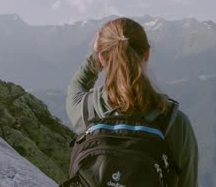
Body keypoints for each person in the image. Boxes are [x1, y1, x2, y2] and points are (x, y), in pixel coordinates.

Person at [66, 17, 198, 187]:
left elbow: (77, 85)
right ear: (147, 54)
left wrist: (95, 55)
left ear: (103, 59)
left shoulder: (85, 111)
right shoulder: (174, 123)